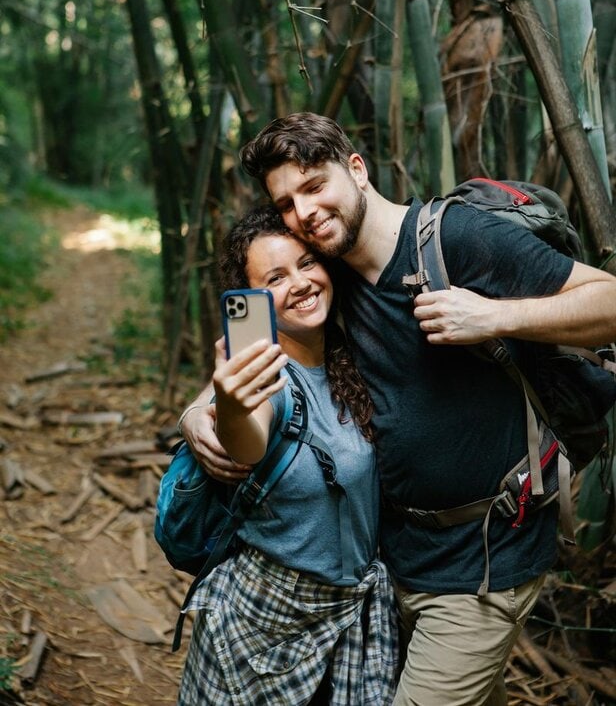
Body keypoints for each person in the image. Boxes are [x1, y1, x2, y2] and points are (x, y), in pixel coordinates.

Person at [181, 113, 616, 706]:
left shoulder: (455, 239)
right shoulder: (326, 268)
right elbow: (262, 350)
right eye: (286, 202)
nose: (303, 212)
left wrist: (494, 316)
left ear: (356, 170)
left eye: (314, 186)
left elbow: (609, 301)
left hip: (484, 561)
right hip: (393, 567)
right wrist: (201, 408)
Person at [176, 204, 398, 706]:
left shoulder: (357, 356)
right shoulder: (267, 382)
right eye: (275, 277)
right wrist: (227, 404)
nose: (300, 282)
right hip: (262, 622)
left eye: (306, 263)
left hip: (352, 620)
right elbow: (248, 442)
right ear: (250, 300)